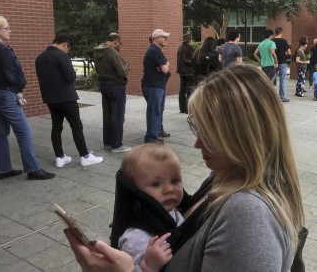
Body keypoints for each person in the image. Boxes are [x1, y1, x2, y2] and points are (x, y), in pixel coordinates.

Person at [65, 64, 304, 272]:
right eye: (196, 128)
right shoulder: (225, 176)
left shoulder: (249, 216)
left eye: (208, 134)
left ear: (242, 136)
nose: (197, 142)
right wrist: (149, 218)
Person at [0, 15, 55, 180]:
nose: (10, 31)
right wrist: (21, 84)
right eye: (6, 28)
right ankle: (33, 169)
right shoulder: (2, 49)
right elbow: (11, 74)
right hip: (6, 94)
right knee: (24, 131)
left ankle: (3, 169)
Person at [35, 34, 103, 168]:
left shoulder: (40, 58)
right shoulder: (62, 56)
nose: (68, 51)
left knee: (56, 126)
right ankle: (85, 156)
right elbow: (70, 77)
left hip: (50, 98)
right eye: (68, 48)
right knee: (76, 126)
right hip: (66, 97)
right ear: (64, 44)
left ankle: (59, 157)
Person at [118, 144, 184, 268]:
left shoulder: (172, 213)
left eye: (175, 181)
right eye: (156, 184)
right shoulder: (137, 238)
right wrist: (148, 266)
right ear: (135, 191)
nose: (169, 189)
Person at [94, 32, 131, 152]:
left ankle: (107, 143)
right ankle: (117, 145)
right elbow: (121, 71)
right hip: (116, 85)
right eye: (119, 43)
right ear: (115, 41)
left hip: (104, 84)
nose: (119, 46)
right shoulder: (112, 52)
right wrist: (127, 67)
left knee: (107, 115)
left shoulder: (97, 51)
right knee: (118, 115)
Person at [141, 29, 171, 144]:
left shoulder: (157, 50)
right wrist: (164, 66)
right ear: (156, 38)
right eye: (164, 37)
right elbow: (165, 69)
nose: (166, 39)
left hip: (158, 85)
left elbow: (166, 64)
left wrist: (165, 65)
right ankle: (151, 139)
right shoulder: (154, 51)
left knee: (158, 110)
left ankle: (157, 132)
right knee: (154, 112)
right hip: (153, 86)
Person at [176, 34, 195, 114]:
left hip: (181, 72)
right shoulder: (190, 49)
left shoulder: (180, 48)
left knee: (182, 91)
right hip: (189, 72)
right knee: (189, 91)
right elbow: (193, 60)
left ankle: (182, 108)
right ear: (189, 40)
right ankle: (188, 109)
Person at [272, 27, 291, 102]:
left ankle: (272, 96)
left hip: (273, 62)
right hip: (283, 62)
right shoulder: (284, 41)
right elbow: (289, 52)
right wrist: (285, 53)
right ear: (281, 33)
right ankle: (282, 96)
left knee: (272, 79)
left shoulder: (272, 41)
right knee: (282, 79)